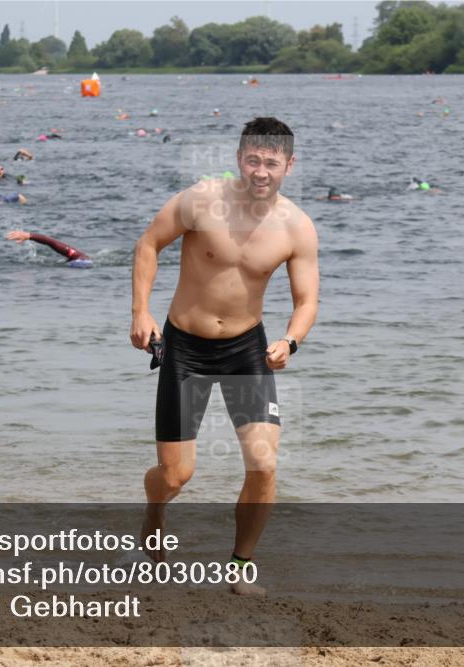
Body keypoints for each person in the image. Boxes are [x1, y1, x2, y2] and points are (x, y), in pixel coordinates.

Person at [130, 117, 319, 595]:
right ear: (239, 159)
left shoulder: (296, 227)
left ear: (289, 166)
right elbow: (149, 243)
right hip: (185, 347)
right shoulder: (202, 200)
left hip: (245, 349)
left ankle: (239, 568)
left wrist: (290, 341)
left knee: (264, 464)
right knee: (176, 475)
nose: (261, 171)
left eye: (271, 163)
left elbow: (307, 301)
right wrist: (141, 312)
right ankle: (155, 513)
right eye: (252, 160)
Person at [6, 230, 91, 267]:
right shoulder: (78, 257)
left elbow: (51, 242)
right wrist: (30, 236)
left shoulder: (79, 258)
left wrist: (30, 236)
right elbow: (52, 242)